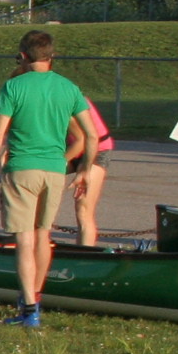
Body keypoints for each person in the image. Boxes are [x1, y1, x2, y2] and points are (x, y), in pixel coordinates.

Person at [0, 29, 94, 328]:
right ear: (51, 56)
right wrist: (84, 170)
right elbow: (90, 135)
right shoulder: (68, 88)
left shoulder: (14, 86)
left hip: (22, 167)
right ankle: (35, 297)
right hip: (55, 170)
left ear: (24, 56)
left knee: (24, 240)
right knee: (44, 235)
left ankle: (28, 309)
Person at [71, 95, 115, 246]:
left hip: (96, 150)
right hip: (71, 148)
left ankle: (83, 257)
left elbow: (86, 139)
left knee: (83, 207)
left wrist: (84, 169)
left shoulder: (67, 96)